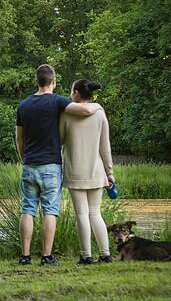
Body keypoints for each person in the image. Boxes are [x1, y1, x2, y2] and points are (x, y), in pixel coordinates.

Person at [15, 64, 101, 266]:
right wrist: (97, 105)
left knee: (27, 210)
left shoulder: (23, 105)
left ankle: (25, 256)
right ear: (53, 81)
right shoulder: (57, 102)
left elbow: (19, 139)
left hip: (29, 165)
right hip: (51, 166)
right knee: (49, 211)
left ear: (36, 82)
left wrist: (24, 159)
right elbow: (86, 110)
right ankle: (46, 256)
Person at [60, 79, 114, 264]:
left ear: (76, 92)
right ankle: (105, 254)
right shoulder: (100, 113)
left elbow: (59, 139)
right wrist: (110, 173)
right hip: (97, 170)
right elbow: (105, 147)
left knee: (81, 214)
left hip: (75, 170)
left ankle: (86, 255)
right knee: (95, 213)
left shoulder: (66, 114)